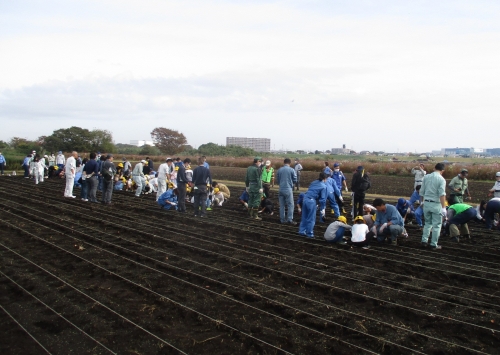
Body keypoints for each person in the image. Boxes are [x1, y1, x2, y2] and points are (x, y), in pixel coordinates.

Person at [420, 163, 447, 249]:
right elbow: (442, 194)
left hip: (426, 203)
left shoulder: (426, 177)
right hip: (436, 204)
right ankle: (433, 244)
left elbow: (422, 191)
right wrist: (443, 208)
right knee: (437, 225)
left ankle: (424, 241)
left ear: (434, 168)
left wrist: (422, 202)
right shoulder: (441, 179)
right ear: (442, 171)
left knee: (427, 223)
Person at [298, 173, 328, 238]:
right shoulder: (324, 186)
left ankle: (302, 231)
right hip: (311, 201)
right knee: (311, 218)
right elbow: (323, 199)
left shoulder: (313, 182)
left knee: (304, 216)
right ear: (325, 179)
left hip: (305, 199)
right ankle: (309, 234)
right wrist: (323, 209)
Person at [276, 158, 297, 224]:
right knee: (290, 205)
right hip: (288, 189)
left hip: (281, 188)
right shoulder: (291, 170)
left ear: (284, 162)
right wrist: (292, 183)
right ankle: (289, 219)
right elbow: (295, 179)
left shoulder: (279, 170)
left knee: (282, 205)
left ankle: (282, 220)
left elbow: (278, 179)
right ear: (290, 163)